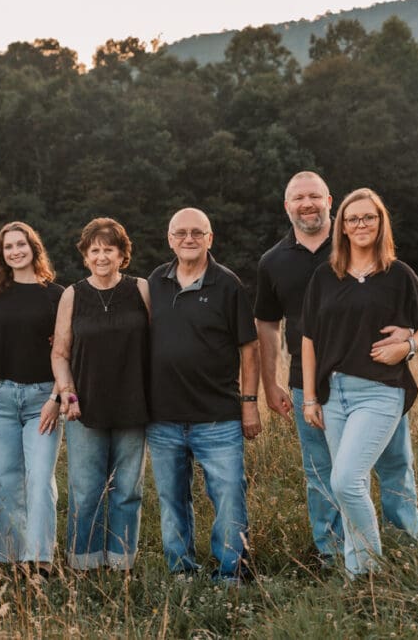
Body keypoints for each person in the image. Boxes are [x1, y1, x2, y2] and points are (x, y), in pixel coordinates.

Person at [256, 171, 418, 564]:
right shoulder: (273, 262)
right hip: (311, 385)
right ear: (287, 207)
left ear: (330, 200)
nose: (307, 203)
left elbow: (407, 310)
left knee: (395, 467)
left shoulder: (365, 245)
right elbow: (266, 324)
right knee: (322, 474)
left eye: (314, 195)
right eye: (298, 198)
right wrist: (270, 383)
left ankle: (406, 549)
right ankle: (336, 556)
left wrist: (408, 343)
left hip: (380, 382)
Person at [301, 187, 418, 576]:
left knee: (345, 480)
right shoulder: (325, 276)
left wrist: (407, 346)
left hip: (380, 391)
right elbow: (308, 339)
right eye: (353, 219)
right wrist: (310, 397)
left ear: (381, 224)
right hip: (333, 394)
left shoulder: (398, 274)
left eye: (369, 218)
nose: (361, 224)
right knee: (348, 487)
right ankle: (357, 575)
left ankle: (370, 570)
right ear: (341, 227)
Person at [147, 208, 259, 582]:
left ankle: (232, 573)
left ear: (210, 239)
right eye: (181, 233)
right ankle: (182, 570)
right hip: (163, 416)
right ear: (169, 238)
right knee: (172, 500)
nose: (189, 239)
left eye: (198, 232)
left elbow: (249, 348)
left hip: (218, 416)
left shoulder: (228, 285)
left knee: (229, 497)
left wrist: (249, 404)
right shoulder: (155, 283)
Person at [51, 218, 150, 572]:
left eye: (109, 249)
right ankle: (84, 565)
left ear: (123, 254)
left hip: (134, 405)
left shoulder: (141, 289)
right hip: (84, 409)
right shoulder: (73, 294)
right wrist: (68, 395)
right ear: (85, 256)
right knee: (86, 491)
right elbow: (60, 353)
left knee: (127, 491)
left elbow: (158, 344)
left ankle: (123, 563)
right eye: (95, 250)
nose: (102, 256)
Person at [0, 222, 65, 575]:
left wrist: (59, 397)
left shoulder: (57, 295)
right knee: (4, 479)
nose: (15, 251)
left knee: (41, 477)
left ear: (34, 247)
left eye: (21, 244)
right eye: (8, 247)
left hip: (42, 399)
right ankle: (8, 559)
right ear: (1, 254)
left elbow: (66, 349)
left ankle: (40, 559)